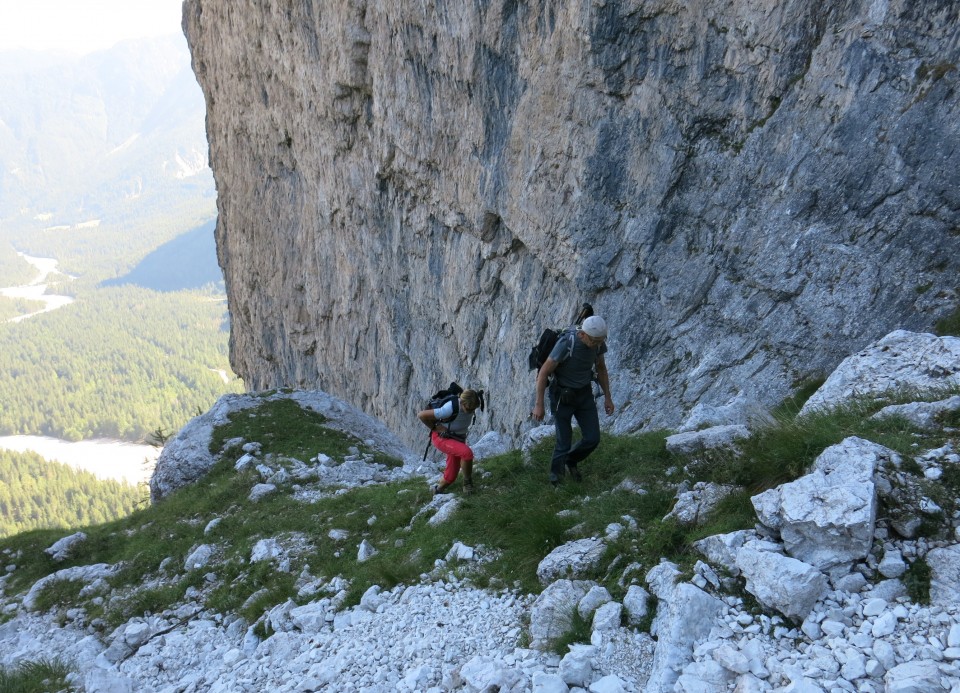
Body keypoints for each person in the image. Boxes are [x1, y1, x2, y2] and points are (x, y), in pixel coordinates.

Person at [532, 315, 615, 486]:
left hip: (584, 394)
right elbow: (543, 373)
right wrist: (539, 405)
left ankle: (571, 460)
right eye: (594, 341)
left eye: (600, 341)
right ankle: (556, 481)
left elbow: (601, 369)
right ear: (583, 335)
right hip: (562, 396)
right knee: (563, 441)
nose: (597, 345)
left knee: (592, 438)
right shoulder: (566, 343)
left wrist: (608, 397)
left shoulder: (597, 344)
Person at [418, 388, 482, 495]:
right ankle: (467, 483)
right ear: (462, 403)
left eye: (473, 409)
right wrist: (434, 428)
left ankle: (437, 490)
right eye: (469, 409)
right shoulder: (450, 408)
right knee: (467, 453)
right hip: (443, 438)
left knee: (451, 476)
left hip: (458, 439)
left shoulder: (470, 402)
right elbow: (421, 415)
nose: (471, 411)